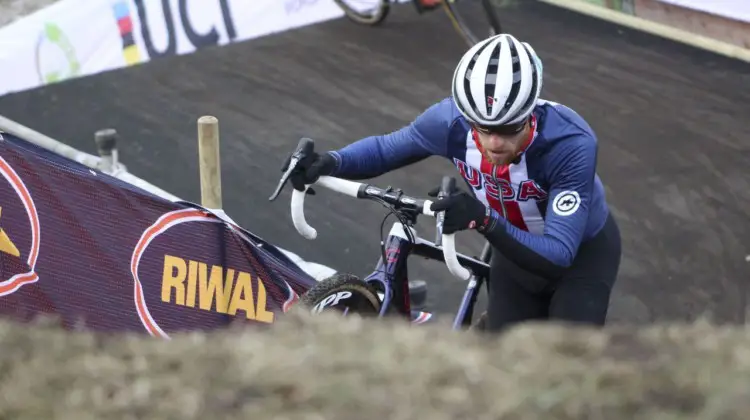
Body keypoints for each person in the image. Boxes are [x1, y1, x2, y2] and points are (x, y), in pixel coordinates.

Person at [282, 33, 622, 332]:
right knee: (504, 369)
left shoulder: (570, 143)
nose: (494, 144)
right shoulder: (450, 122)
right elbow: (387, 148)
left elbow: (559, 254)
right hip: (513, 256)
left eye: (508, 130)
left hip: (580, 259)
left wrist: (484, 219)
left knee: (567, 369)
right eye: (482, 129)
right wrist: (331, 161)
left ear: (531, 113)